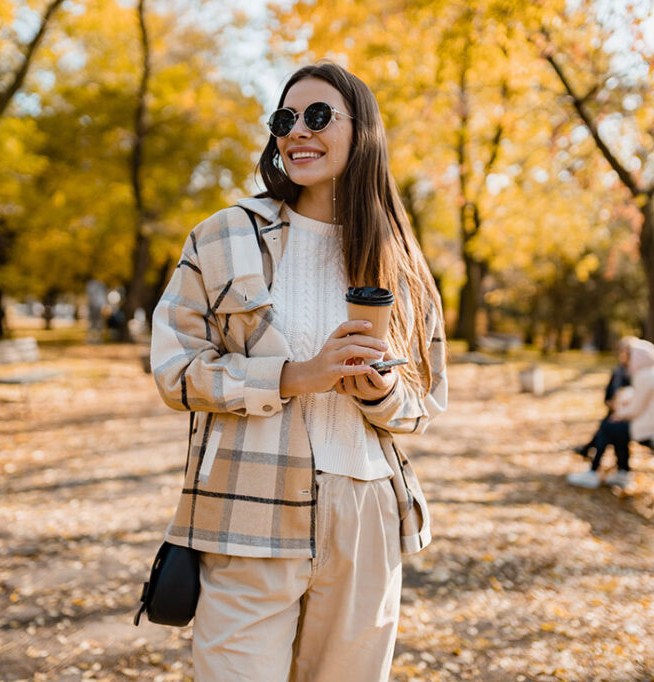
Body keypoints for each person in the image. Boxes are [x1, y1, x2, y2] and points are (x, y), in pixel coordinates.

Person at [149, 61, 447, 681]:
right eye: (285, 119)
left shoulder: (401, 258)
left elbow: (425, 399)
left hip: (366, 514)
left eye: (318, 116)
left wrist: (383, 392)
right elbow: (176, 370)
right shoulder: (224, 235)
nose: (297, 133)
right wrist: (292, 377)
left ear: (361, 130)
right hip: (246, 505)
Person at [567, 338, 654, 489]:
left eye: (628, 356)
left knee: (609, 426)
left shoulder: (645, 375)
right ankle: (622, 472)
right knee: (615, 427)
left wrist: (619, 413)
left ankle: (593, 472)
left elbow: (635, 408)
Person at [573, 335, 635, 459]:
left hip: (629, 412)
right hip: (616, 408)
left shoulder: (635, 373)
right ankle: (593, 455)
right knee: (608, 423)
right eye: (621, 351)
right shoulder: (618, 371)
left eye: (626, 351)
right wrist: (611, 402)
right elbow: (609, 392)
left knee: (607, 426)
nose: (622, 355)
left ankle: (592, 456)